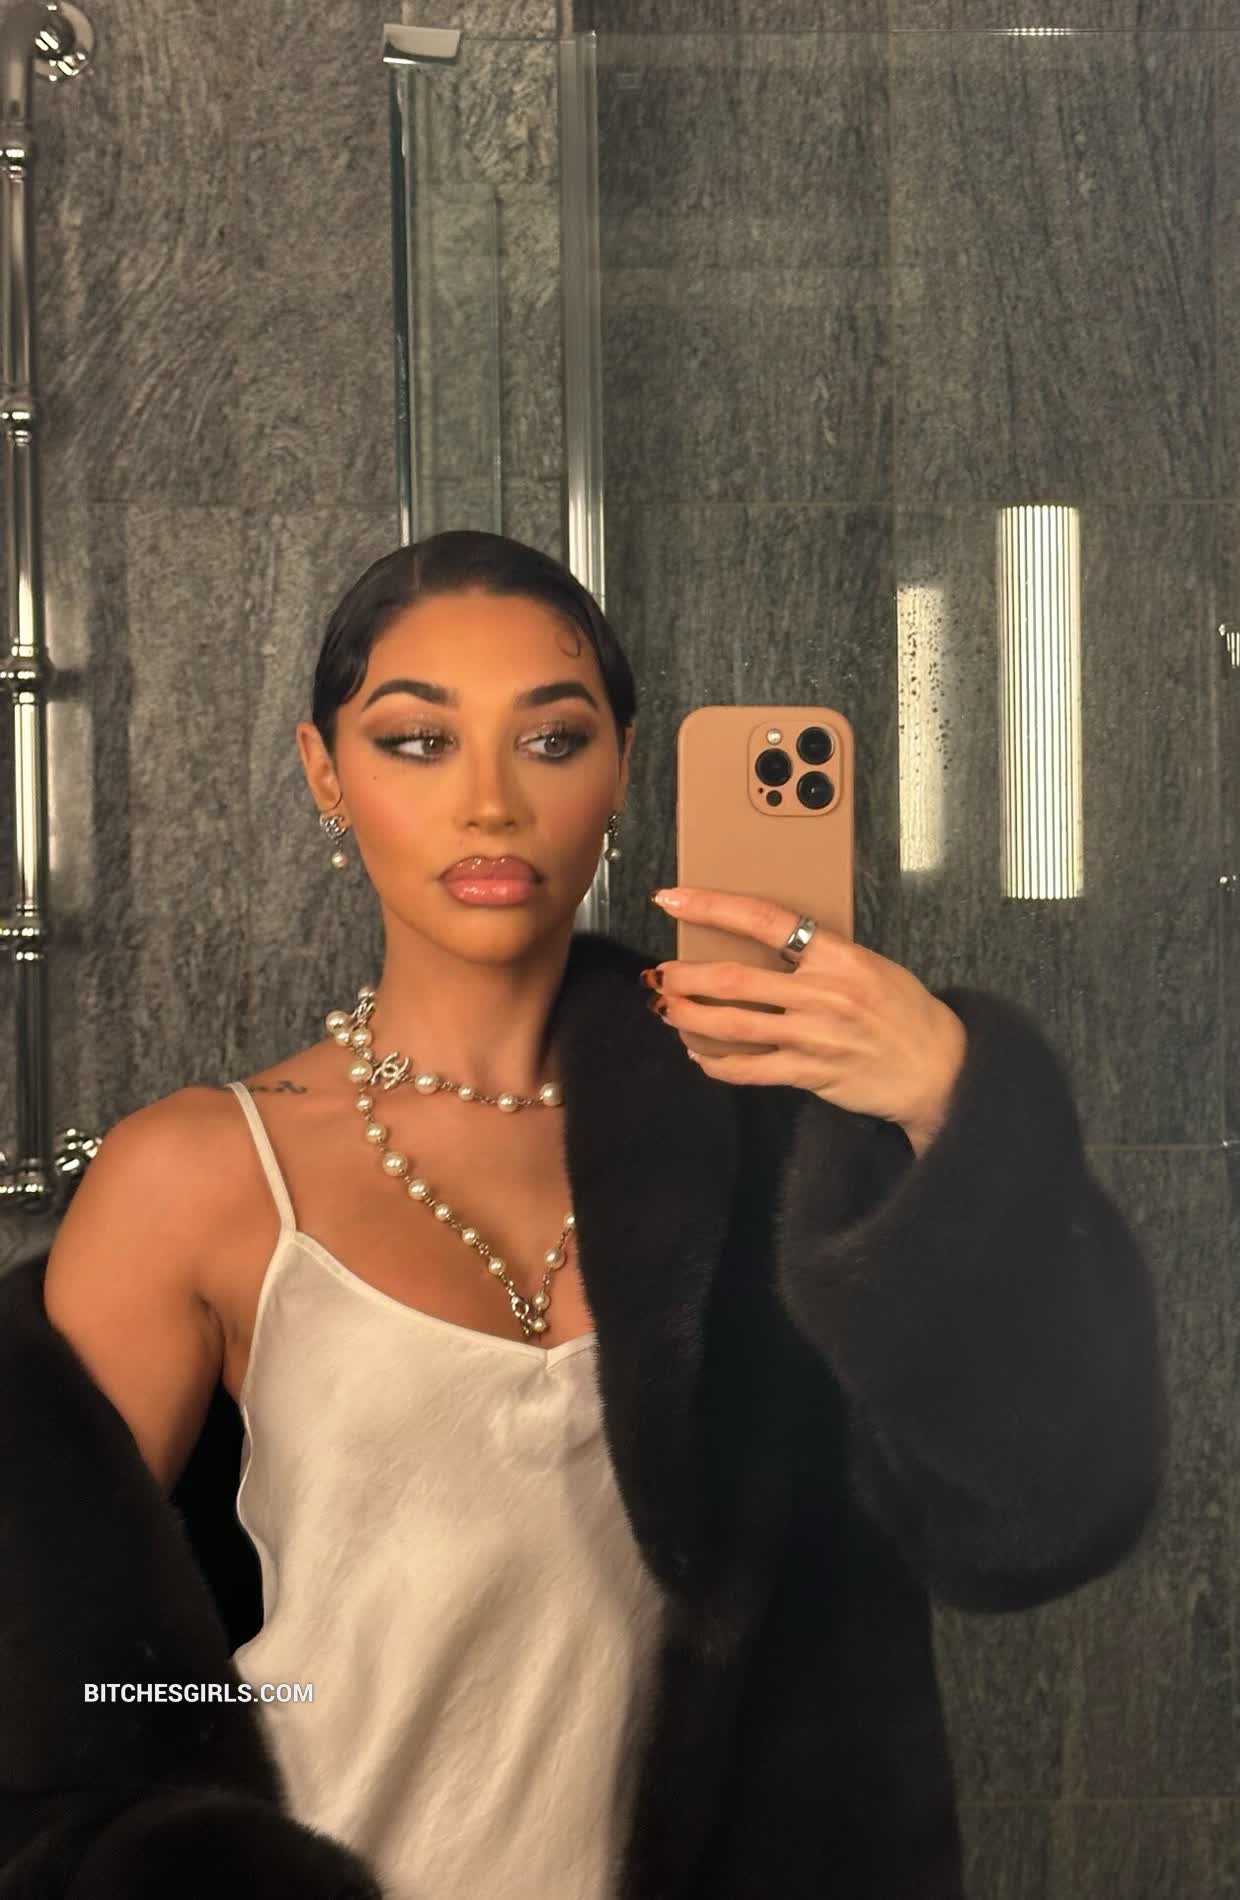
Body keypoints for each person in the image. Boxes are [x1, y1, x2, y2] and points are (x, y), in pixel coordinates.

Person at [0, 531, 1167, 1900]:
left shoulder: (776, 1140)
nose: (491, 804)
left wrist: (943, 1103)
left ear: (621, 769)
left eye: (551, 742)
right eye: (418, 743)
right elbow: (47, 1675)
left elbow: (1038, 1518)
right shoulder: (201, 1173)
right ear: (325, 774)